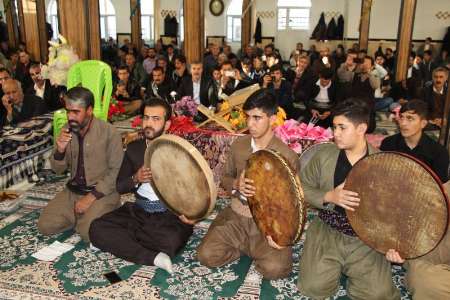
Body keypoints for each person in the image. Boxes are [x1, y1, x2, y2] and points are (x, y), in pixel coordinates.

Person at [297, 98, 400, 299]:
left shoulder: (382, 164)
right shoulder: (325, 154)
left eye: (342, 128)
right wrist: (328, 196)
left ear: (361, 128)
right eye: (334, 127)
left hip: (365, 238)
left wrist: (394, 243)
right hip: (328, 230)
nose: (335, 134)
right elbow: (300, 186)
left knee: (378, 294)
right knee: (313, 288)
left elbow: (393, 211)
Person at [197, 89, 298, 279]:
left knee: (276, 269)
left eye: (257, 118)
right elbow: (225, 177)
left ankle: (255, 249)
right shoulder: (239, 145)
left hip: (268, 224)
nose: (250, 123)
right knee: (206, 255)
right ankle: (244, 248)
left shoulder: (286, 156)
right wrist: (236, 184)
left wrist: (282, 234)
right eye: (247, 117)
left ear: (273, 119)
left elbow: (293, 206)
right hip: (236, 215)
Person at [90, 98, 194, 274]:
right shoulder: (134, 149)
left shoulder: (178, 150)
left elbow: (193, 192)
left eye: (155, 119)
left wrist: (192, 215)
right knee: (96, 228)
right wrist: (135, 178)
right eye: (146, 118)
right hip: (138, 211)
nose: (149, 124)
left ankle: (121, 242)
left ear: (167, 124)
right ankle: (153, 258)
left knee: (170, 241)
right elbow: (120, 186)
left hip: (168, 214)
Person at [37, 87, 123, 242]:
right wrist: (60, 151)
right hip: (73, 191)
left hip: (101, 193)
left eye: (76, 112)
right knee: (46, 226)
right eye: (68, 111)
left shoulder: (109, 132)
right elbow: (58, 170)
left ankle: (107, 210)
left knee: (87, 233)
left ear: (89, 110)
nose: (70, 116)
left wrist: (90, 198)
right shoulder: (66, 130)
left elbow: (116, 171)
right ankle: (83, 217)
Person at [380, 99, 449, 182]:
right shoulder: (388, 143)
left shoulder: (438, 153)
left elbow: (439, 188)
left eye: (410, 118)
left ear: (423, 123)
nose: (403, 123)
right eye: (401, 117)